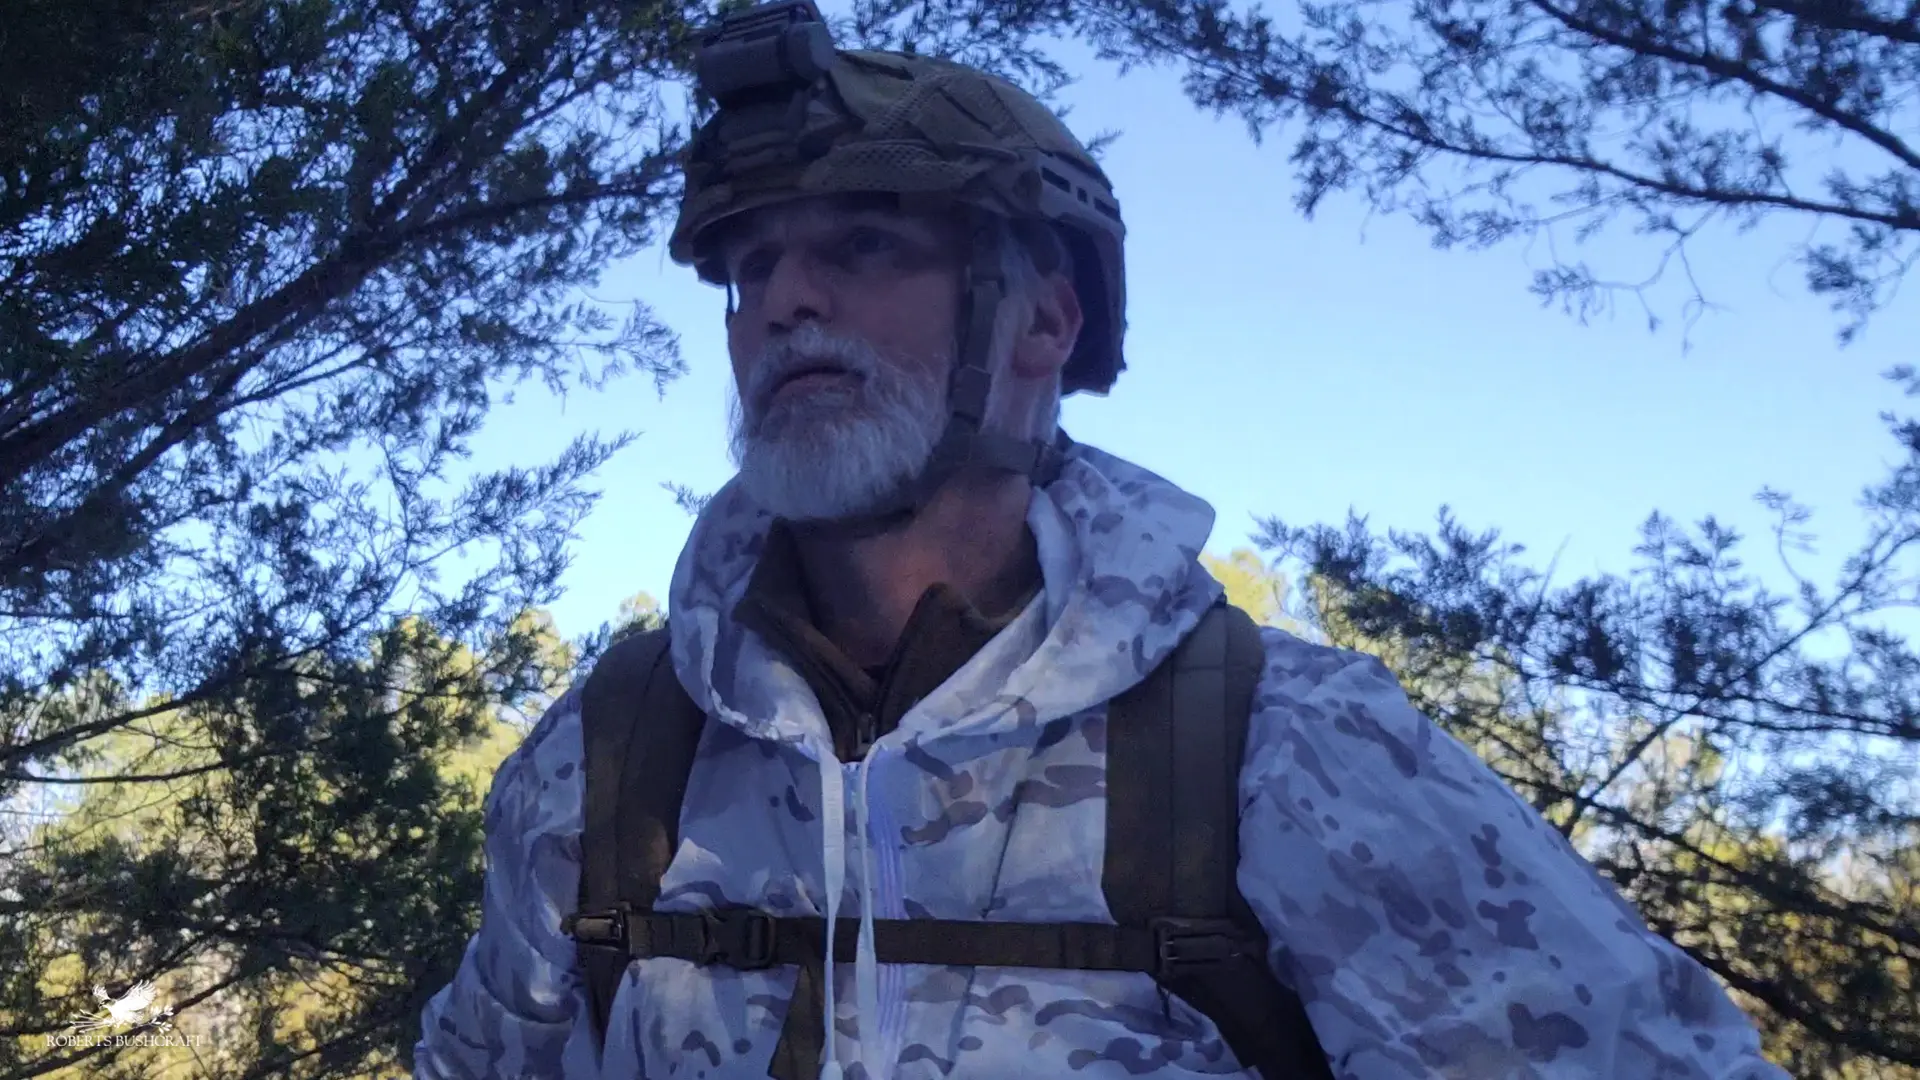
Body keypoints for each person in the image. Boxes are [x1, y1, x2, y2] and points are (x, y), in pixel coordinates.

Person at [412, 4, 1789, 1078]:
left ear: (1043, 323)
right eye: (751, 266)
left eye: (867, 245)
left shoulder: (1289, 749)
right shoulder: (609, 756)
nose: (785, 302)